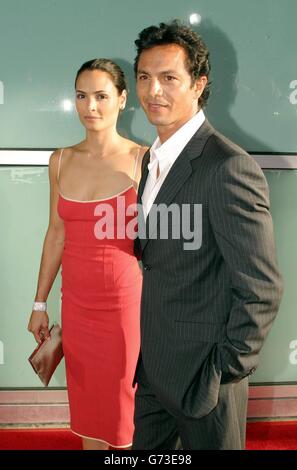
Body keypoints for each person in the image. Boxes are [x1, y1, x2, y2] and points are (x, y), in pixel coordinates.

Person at [132, 20, 283, 450]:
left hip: (205, 382)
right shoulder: (152, 161)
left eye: (168, 78)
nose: (153, 91)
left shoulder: (228, 167)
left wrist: (223, 369)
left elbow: (262, 289)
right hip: (154, 372)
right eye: (144, 77)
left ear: (198, 84)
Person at [28, 58, 147, 450]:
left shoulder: (143, 161)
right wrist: (40, 303)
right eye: (82, 96)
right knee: (88, 414)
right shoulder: (59, 160)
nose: (89, 107)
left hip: (126, 309)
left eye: (100, 96)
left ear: (122, 100)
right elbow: (56, 234)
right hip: (76, 310)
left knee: (123, 418)